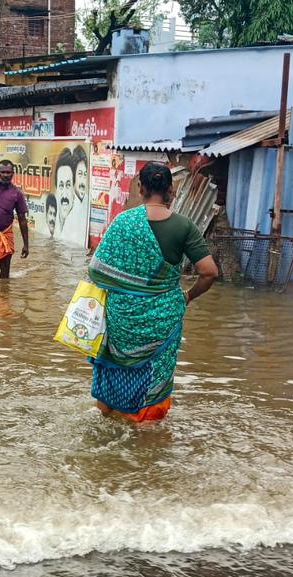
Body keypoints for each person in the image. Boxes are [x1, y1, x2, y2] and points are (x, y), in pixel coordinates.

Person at [87, 163, 219, 423]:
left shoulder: (123, 222)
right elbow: (209, 272)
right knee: (155, 373)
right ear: (171, 189)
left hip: (122, 316)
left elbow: (97, 271)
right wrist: (187, 297)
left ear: (140, 187)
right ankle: (147, 434)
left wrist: (127, 287)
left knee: (114, 369)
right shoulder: (184, 226)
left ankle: (107, 416)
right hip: (163, 318)